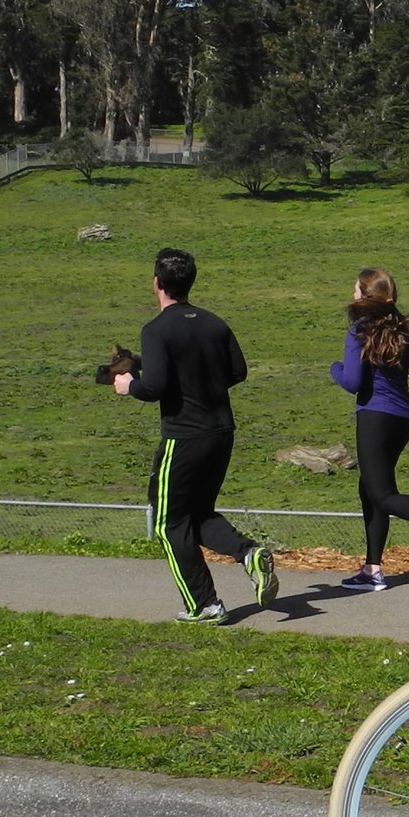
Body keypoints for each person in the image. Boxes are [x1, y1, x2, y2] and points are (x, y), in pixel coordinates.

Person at [110, 246, 277, 624]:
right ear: (190, 281)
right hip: (221, 433)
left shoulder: (156, 330)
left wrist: (127, 385)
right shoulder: (214, 322)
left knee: (168, 523)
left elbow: (153, 386)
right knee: (196, 514)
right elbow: (238, 371)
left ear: (156, 283)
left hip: (183, 437)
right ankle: (249, 553)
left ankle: (204, 604)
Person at [329, 266, 409, 590]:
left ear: (366, 296)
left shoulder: (359, 330)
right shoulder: (406, 327)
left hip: (374, 417)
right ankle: (372, 569)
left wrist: (335, 369)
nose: (352, 294)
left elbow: (353, 381)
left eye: (355, 290)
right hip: (402, 419)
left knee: (382, 494)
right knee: (369, 488)